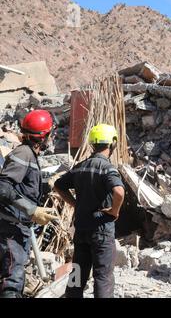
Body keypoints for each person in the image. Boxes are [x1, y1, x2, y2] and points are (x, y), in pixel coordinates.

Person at [55, 124, 125, 298]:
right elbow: (119, 191)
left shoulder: (81, 166)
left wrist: (75, 203)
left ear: (93, 144)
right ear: (113, 143)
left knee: (77, 274)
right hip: (101, 230)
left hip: (82, 229)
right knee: (103, 277)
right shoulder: (107, 168)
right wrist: (115, 211)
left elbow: (58, 185)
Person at [0, 110, 58, 298]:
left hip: (16, 227)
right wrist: (32, 210)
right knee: (12, 280)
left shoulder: (29, 154)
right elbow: (2, 187)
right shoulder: (24, 154)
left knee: (13, 275)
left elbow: (20, 188)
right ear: (45, 136)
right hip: (10, 228)